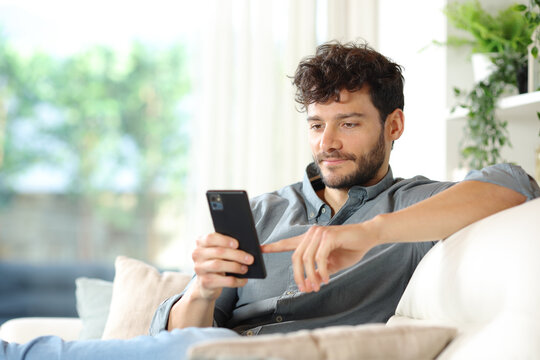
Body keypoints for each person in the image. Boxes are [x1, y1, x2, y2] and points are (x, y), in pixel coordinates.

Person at [2, 41, 539, 360]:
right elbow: (187, 331)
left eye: (348, 124)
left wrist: (366, 232)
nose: (327, 143)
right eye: (316, 125)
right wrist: (205, 287)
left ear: (393, 125)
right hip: (203, 351)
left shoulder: (412, 209)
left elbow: (514, 182)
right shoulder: (263, 211)